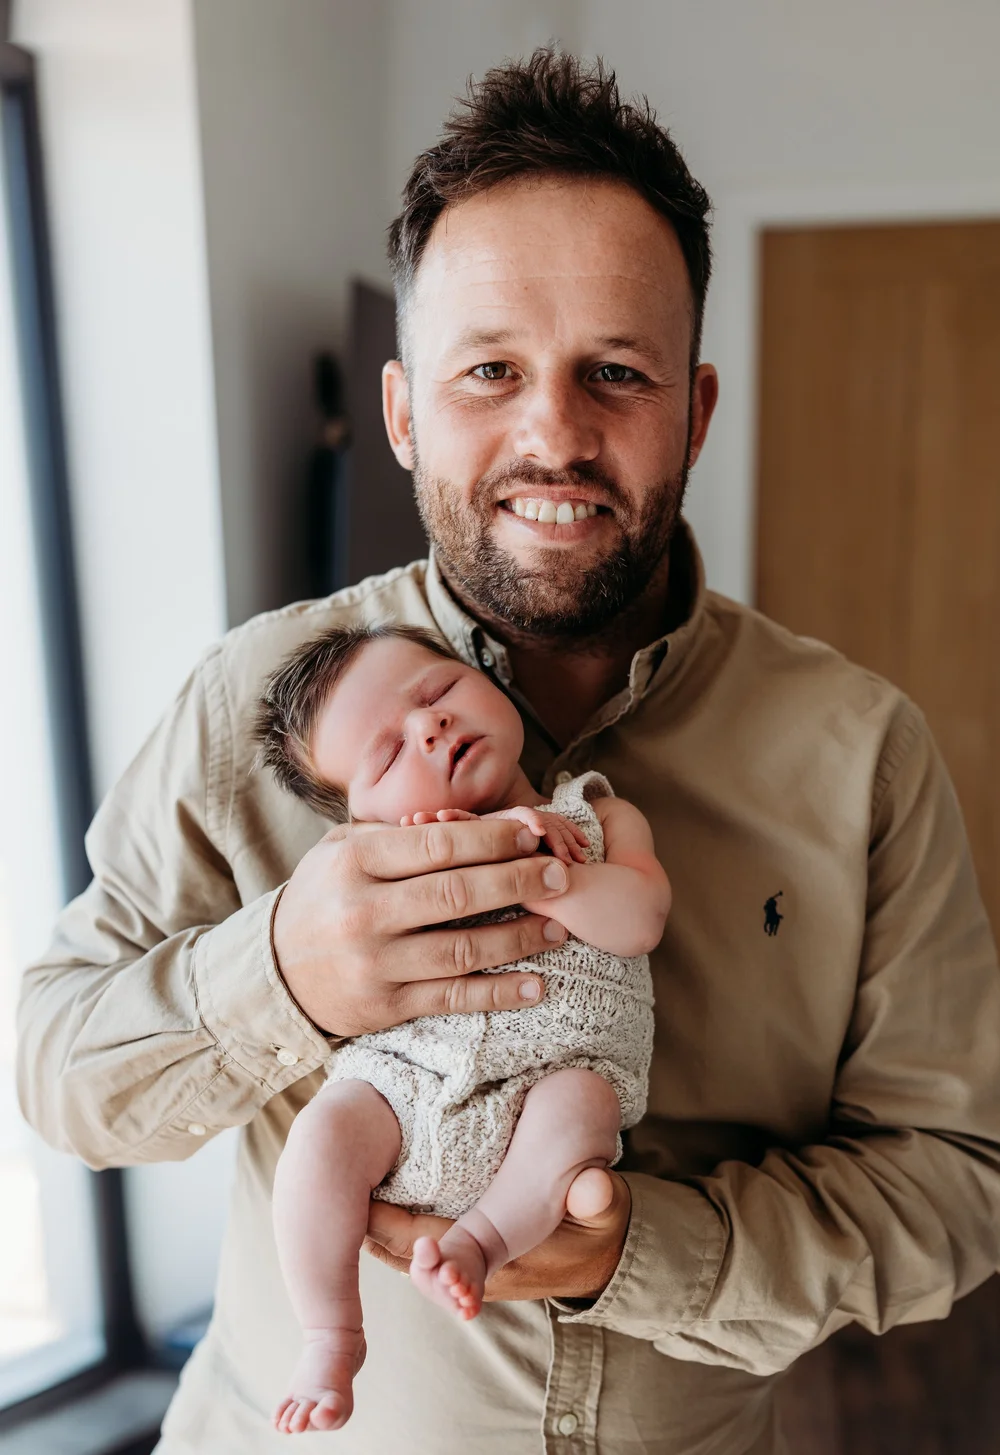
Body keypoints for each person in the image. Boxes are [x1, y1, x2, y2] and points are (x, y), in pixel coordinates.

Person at [17, 50, 1000, 1455]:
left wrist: (632, 1253)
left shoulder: (861, 756)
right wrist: (283, 973)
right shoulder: (257, 701)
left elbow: (959, 1181)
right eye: (490, 371)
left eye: (616, 370)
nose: (555, 432)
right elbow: (57, 1068)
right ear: (405, 411)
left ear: (696, 412)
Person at [254, 622, 665, 1433]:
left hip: (556, 1080)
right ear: (359, 814)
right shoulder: (373, 865)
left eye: (437, 693)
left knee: (582, 1110)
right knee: (321, 1135)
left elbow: (640, 921)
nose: (430, 727)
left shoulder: (599, 813)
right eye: (387, 754)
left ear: (492, 683)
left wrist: (551, 876)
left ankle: (480, 1241)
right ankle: (330, 1332)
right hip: (407, 1090)